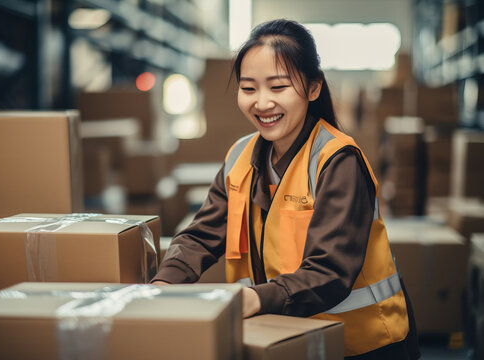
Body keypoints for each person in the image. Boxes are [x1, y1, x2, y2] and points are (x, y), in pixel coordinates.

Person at [151, 19, 420, 359]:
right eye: (248, 89)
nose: (262, 103)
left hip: (363, 344)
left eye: (278, 88)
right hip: (287, 335)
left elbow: (330, 271)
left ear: (313, 88)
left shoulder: (337, 161)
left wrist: (254, 298)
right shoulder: (240, 156)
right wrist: (164, 284)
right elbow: (201, 235)